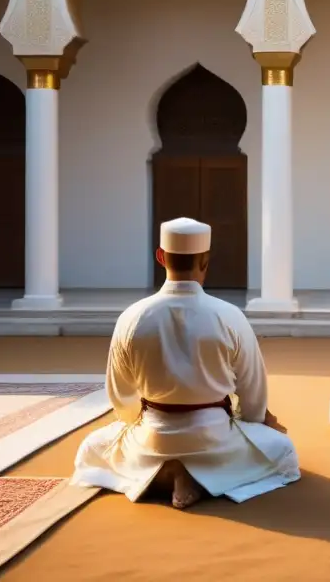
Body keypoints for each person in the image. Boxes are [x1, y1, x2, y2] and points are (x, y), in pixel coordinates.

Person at [70, 217, 300, 509]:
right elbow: (253, 395)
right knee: (283, 450)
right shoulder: (229, 316)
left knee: (91, 449)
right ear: (205, 261)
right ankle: (204, 474)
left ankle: (163, 472)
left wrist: (136, 424)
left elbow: (121, 398)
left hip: (152, 438)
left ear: (161, 257)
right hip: (216, 440)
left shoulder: (132, 317)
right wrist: (255, 423)